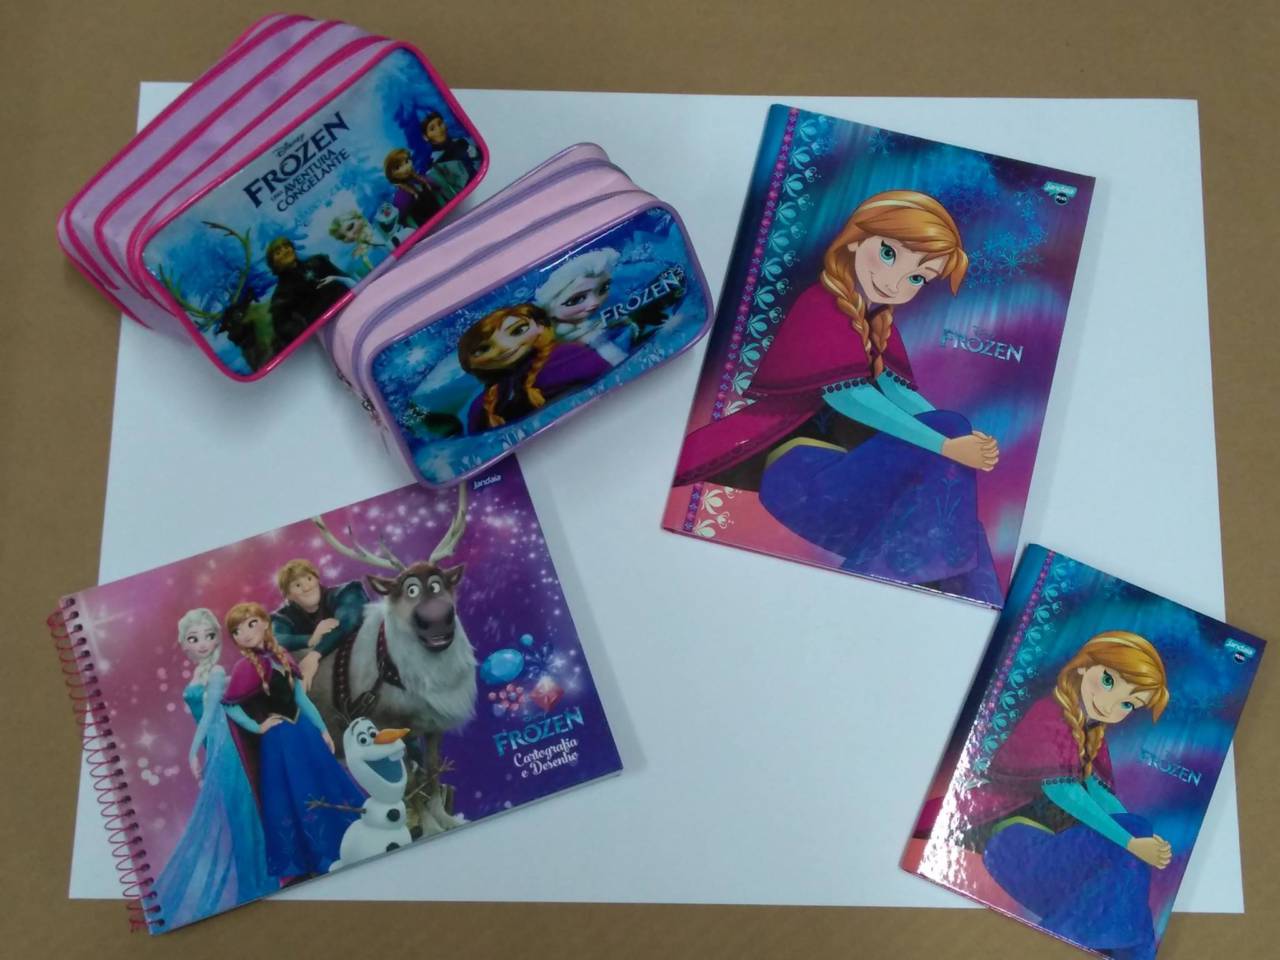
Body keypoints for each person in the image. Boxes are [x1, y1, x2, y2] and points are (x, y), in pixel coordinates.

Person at [672, 190, 1001, 602]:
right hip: (803, 481)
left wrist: (958, 441)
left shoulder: (877, 320)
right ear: (856, 238)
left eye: (917, 278)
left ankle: (935, 593)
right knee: (949, 447)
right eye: (888, 254)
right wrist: (946, 444)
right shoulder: (821, 305)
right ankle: (884, 582)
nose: (895, 282)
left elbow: (899, 392)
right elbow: (849, 397)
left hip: (847, 487)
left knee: (962, 528)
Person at [957, 632, 1171, 960]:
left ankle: (1086, 937)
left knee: (1137, 828)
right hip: (1014, 848)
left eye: (1128, 704)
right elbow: (1065, 793)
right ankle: (1093, 940)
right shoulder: (1047, 714)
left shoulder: (1092, 732)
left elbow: (1101, 798)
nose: (1110, 705)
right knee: (1131, 849)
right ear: (1084, 665)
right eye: (1109, 681)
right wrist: (1131, 843)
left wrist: (1140, 838)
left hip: (1056, 856)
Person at [150, 609, 276, 926]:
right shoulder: (199, 676)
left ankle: (259, 884)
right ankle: (253, 885)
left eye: (208, 636)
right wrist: (204, 753)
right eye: (194, 639)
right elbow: (225, 711)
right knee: (236, 817)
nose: (203, 644)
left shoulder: (217, 672)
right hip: (216, 751)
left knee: (243, 816)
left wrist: (193, 751)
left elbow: (213, 715)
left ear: (217, 638)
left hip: (228, 750)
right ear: (184, 644)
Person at [221, 603, 364, 879]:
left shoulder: (281, 655)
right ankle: (316, 856)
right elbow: (230, 705)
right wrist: (257, 726)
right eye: (237, 631)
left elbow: (301, 699)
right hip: (280, 741)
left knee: (324, 783)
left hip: (305, 733)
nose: (245, 633)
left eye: (251, 624)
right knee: (296, 792)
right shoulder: (244, 667)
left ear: (265, 622)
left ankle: (344, 844)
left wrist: (322, 729)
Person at [457, 303, 612, 433]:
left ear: (541, 326)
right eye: (483, 349)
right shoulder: (481, 404)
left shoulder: (566, 356)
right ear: (469, 362)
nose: (504, 347)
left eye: (518, 330)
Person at [270, 559, 367, 689]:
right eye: (297, 585)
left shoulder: (347, 592)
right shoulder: (282, 617)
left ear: (317, 579)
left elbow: (350, 621)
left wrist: (315, 655)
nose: (307, 588)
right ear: (288, 595)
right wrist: (311, 639)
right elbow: (275, 640)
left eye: (309, 579)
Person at [534, 248, 628, 366]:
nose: (594, 302)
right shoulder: (560, 338)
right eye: (576, 300)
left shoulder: (603, 313)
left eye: (603, 288)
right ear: (549, 309)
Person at [265, 237, 351, 348]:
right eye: (278, 252)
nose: (285, 251)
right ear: (273, 264)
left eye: (286, 246)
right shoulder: (280, 295)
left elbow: (346, 279)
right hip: (329, 332)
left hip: (352, 307)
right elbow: (285, 330)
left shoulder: (319, 262)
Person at [420, 110, 480, 200]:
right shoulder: (434, 163)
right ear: (425, 137)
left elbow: (479, 161)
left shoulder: (461, 142)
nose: (439, 130)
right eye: (432, 129)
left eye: (440, 123)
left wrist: (476, 154)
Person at [383, 147, 443, 229]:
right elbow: (401, 218)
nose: (405, 168)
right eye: (398, 167)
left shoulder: (420, 179)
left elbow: (437, 186)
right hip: (429, 227)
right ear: (391, 174)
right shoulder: (401, 195)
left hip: (442, 213)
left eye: (407, 161)